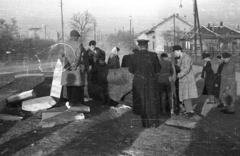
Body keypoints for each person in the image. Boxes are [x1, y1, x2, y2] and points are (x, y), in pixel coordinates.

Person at [129, 34, 161, 128]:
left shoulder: (133, 56)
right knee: (152, 101)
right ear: (147, 45)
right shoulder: (153, 55)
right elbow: (158, 69)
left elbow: (131, 70)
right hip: (151, 81)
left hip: (138, 82)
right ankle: (155, 123)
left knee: (141, 101)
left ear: (139, 46)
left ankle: (145, 124)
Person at [62, 30, 88, 106]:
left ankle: (70, 102)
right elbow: (79, 56)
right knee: (76, 86)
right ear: (76, 37)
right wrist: (74, 66)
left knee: (69, 86)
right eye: (77, 37)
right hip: (76, 69)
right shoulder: (79, 44)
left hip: (67, 69)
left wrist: (67, 65)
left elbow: (63, 56)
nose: (78, 38)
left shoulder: (65, 44)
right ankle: (75, 103)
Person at [172, 45, 198, 117]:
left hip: (187, 79)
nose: (175, 54)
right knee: (185, 95)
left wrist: (178, 75)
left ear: (179, 51)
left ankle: (190, 111)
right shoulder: (181, 58)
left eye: (175, 52)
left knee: (187, 96)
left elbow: (186, 69)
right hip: (184, 79)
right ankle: (188, 110)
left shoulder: (186, 57)